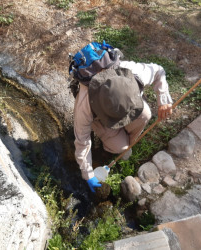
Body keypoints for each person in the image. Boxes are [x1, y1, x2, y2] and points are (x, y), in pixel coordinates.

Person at [73, 59, 173, 193]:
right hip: (100, 118)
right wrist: (88, 174)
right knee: (119, 147)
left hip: (127, 104)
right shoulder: (85, 104)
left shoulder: (133, 72)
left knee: (145, 115)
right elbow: (82, 140)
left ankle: (128, 145)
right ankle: (112, 147)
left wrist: (163, 100)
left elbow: (159, 71)